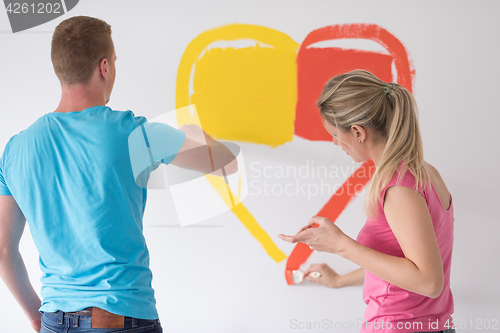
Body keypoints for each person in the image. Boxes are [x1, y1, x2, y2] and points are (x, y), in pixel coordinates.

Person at [0, 16, 236, 333]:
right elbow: (223, 160)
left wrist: (35, 316)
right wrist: (196, 133)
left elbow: (3, 250)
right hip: (120, 319)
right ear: (105, 68)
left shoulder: (15, 149)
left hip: (55, 320)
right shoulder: (132, 133)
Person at [279, 70, 455, 333]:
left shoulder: (398, 188)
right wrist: (339, 280)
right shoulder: (425, 173)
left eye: (335, 135)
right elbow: (400, 265)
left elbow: (429, 281)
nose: (336, 144)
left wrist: (341, 246)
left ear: (358, 132)